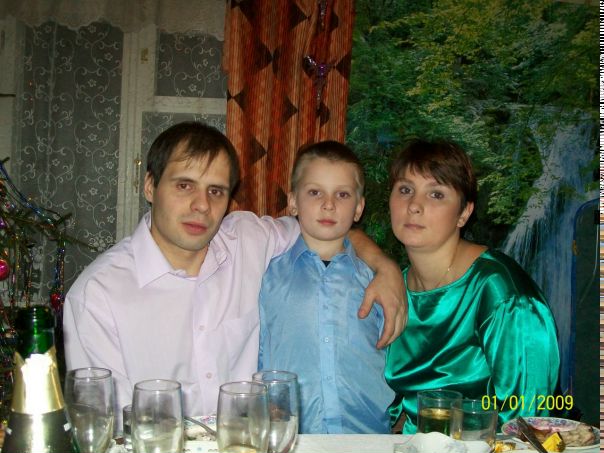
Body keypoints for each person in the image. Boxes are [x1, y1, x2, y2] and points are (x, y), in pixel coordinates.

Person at [62, 122, 406, 425]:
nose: (201, 205)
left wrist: (384, 266)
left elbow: (328, 228)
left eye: (215, 191)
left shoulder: (248, 239)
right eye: (184, 185)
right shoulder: (97, 295)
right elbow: (106, 427)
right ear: (150, 186)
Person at [385, 139, 560, 433]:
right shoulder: (393, 288)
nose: (414, 205)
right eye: (405, 190)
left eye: (436, 194)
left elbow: (529, 420)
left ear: (464, 213)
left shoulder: (503, 294)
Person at [258, 141, 394, 434]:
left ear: (359, 208)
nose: (328, 204)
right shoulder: (266, 278)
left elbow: (395, 360)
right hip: (291, 441)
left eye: (342, 194)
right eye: (315, 192)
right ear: (293, 201)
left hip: (367, 438)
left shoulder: (378, 282)